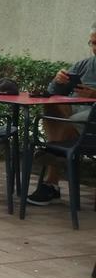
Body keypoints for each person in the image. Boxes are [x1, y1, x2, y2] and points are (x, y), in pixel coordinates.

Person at [27, 23, 96, 205]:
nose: (95, 49)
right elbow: (51, 92)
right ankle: (57, 156)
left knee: (83, 117)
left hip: (91, 125)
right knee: (51, 107)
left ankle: (52, 160)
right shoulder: (84, 65)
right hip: (72, 123)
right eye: (92, 43)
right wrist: (58, 81)